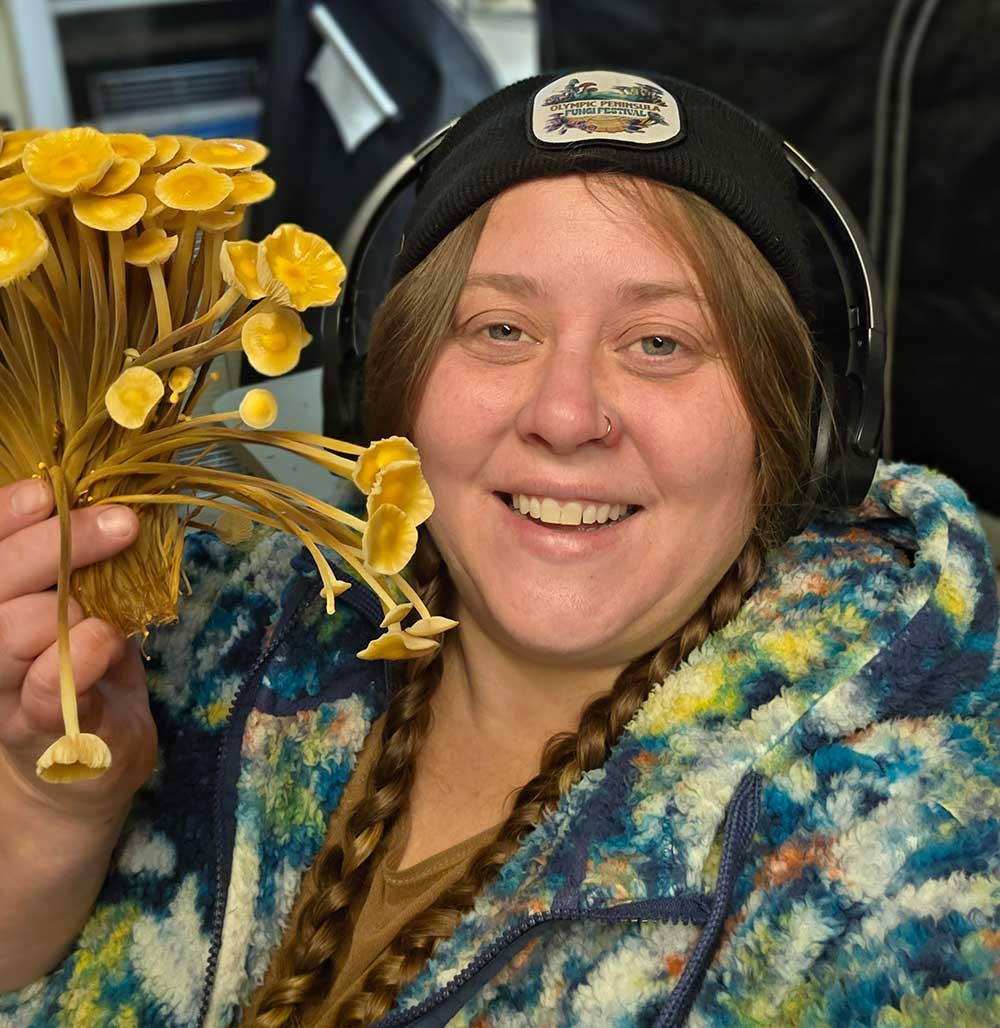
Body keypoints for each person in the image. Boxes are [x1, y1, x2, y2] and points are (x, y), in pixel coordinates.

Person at [1, 70, 998, 1028]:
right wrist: (51, 816)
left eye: (659, 341)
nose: (565, 416)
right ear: (388, 399)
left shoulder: (905, 843)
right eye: (500, 327)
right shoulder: (200, 639)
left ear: (793, 436)